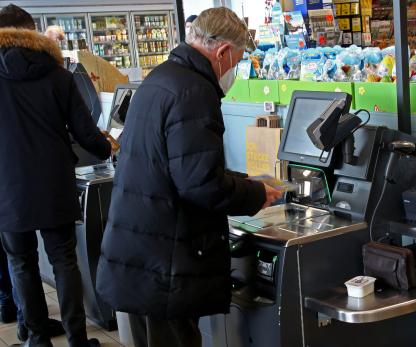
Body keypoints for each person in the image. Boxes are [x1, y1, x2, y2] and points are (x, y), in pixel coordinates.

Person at [96, 7, 282, 347]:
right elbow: (201, 184)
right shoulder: (195, 92)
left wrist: (242, 180)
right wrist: (256, 195)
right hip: (166, 263)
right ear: (223, 52)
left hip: (140, 252)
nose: (234, 72)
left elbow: (176, 163)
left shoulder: (162, 77)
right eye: (238, 62)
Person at [0, 4, 117, 347]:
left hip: (6, 185)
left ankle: (37, 337)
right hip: (53, 181)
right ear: (32, 32)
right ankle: (77, 339)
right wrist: (109, 149)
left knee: (21, 263)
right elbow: (85, 132)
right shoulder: (58, 76)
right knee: (64, 260)